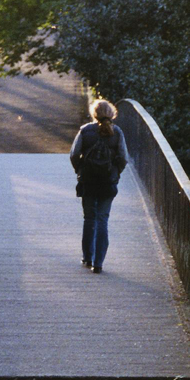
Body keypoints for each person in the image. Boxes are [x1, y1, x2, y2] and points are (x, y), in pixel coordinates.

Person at [70, 99, 129, 273]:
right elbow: (124, 157)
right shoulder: (117, 132)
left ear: (94, 113)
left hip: (88, 181)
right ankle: (98, 263)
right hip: (107, 182)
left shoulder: (85, 131)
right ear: (112, 114)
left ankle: (87, 257)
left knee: (89, 218)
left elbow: (74, 154)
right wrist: (115, 173)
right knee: (102, 219)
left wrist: (79, 170)